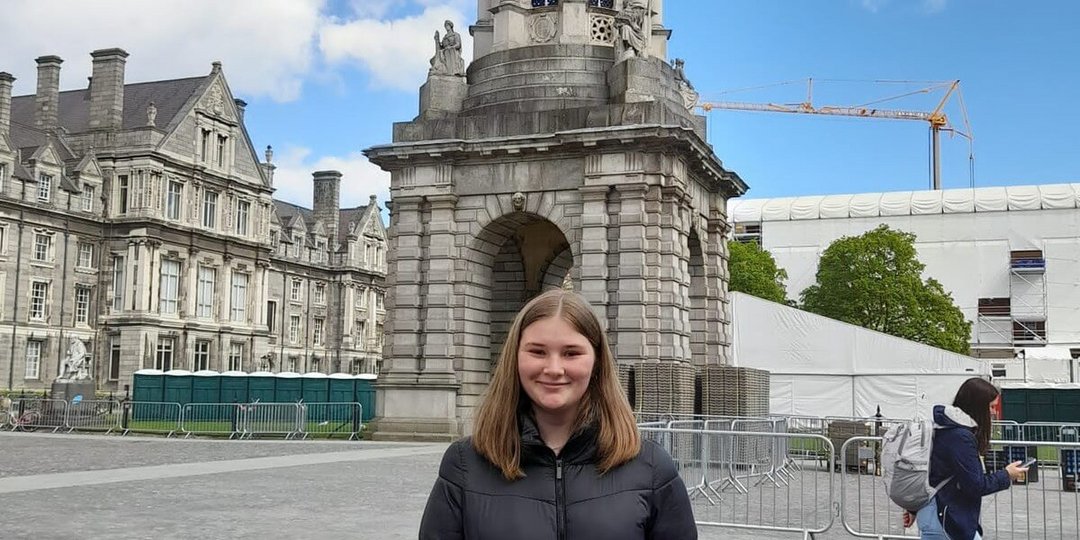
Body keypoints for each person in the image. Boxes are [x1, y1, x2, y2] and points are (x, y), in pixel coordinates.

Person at [419, 289, 697, 539]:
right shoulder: (464, 464)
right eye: (537, 352)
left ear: (597, 361)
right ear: (515, 358)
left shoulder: (651, 467)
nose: (553, 369)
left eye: (571, 353)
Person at [902, 378, 1027, 539]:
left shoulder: (943, 428)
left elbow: (933, 473)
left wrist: (913, 508)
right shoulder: (961, 437)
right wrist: (1006, 474)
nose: (993, 412)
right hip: (947, 517)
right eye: (991, 407)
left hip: (934, 512)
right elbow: (975, 485)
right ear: (977, 407)